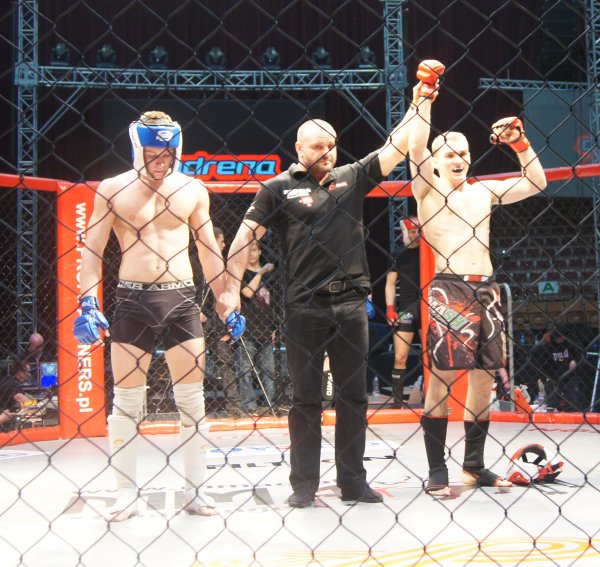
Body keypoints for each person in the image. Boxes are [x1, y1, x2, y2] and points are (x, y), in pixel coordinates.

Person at [218, 78, 426, 508]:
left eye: (331, 145)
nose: (327, 152)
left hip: (351, 304)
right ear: (299, 149)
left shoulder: (352, 176)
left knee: (353, 397)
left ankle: (353, 481)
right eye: (317, 146)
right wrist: (230, 292)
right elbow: (243, 237)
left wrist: (419, 100)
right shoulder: (277, 188)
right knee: (306, 399)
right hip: (304, 306)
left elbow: (397, 146)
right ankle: (304, 485)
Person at [74, 111, 228, 520]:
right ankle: (126, 492)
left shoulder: (192, 189)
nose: (162, 162)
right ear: (137, 149)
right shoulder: (113, 189)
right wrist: (88, 302)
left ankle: (196, 490)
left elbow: (208, 249)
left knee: (191, 400)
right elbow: (92, 252)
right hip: (132, 299)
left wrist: (227, 300)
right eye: (153, 154)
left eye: (168, 154)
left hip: (181, 298)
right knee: (127, 401)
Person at [408, 60, 548, 496]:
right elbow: (415, 145)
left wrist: (519, 142)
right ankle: (436, 468)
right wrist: (424, 96)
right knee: (442, 377)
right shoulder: (427, 189)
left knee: (485, 378)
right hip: (449, 289)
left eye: (464, 152)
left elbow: (536, 182)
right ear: (436, 161)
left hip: (486, 290)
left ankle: (473, 465)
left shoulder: (482, 191)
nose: (459, 158)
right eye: (449, 153)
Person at [201, 226, 245, 418]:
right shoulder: (193, 262)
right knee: (193, 361)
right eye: (221, 241)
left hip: (219, 321)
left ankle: (234, 406)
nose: (224, 245)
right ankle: (194, 405)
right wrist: (195, 309)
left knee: (225, 362)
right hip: (198, 319)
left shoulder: (225, 266)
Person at [237, 239, 279, 415]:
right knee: (245, 370)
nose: (252, 253)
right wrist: (261, 272)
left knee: (268, 371)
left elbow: (274, 303)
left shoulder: (271, 277)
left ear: (260, 251)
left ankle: (270, 403)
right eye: (249, 250)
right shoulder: (241, 273)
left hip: (266, 328)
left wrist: (275, 327)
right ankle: (249, 404)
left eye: (255, 249)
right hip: (247, 329)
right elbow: (247, 293)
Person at [384, 216, 422, 407]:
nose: (415, 235)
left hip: (428, 308)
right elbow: (390, 284)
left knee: (431, 358)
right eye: (412, 232)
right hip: (407, 308)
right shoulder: (398, 254)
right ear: (405, 233)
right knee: (399, 357)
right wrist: (390, 308)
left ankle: (433, 399)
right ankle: (397, 402)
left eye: (418, 231)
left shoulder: (430, 252)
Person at [530, 328, 582, 411]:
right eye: (558, 337)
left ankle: (573, 411)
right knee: (549, 388)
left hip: (569, 377)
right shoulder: (549, 348)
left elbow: (579, 355)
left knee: (573, 396)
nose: (560, 339)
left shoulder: (570, 346)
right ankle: (554, 410)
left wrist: (575, 361)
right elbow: (541, 364)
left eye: (561, 337)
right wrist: (543, 378)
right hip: (554, 378)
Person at [0, 357, 35, 430]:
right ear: (19, 373)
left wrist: (35, 401)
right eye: (28, 372)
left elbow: (26, 396)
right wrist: (37, 408)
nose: (30, 374)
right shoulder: (10, 382)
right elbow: (20, 398)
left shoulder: (13, 381)